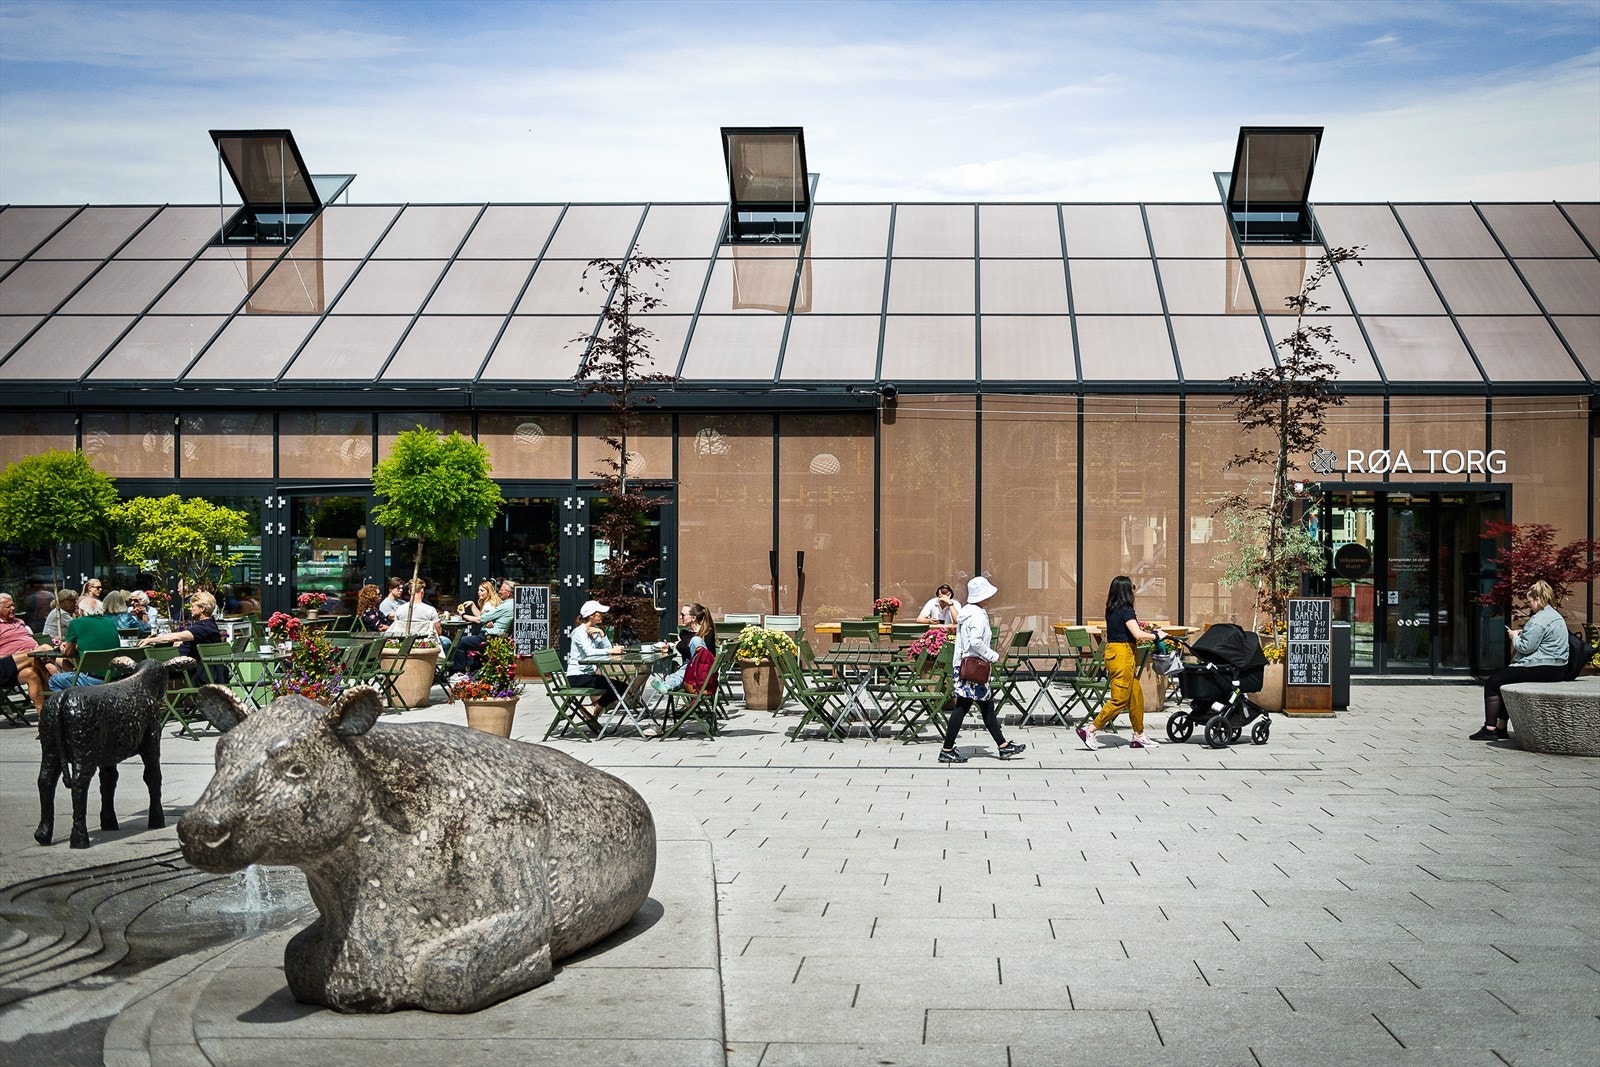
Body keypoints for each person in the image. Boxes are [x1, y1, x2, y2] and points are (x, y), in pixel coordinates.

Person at [939, 577, 1026, 763]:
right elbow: (975, 642)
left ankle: (1002, 746)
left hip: (966, 665)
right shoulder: (977, 615)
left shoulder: (968, 611)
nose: (991, 597)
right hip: (973, 666)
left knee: (984, 705)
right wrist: (992, 655)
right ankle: (947, 749)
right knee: (964, 706)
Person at [1473, 580, 1570, 741]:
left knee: (1492, 683)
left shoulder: (1539, 619)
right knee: (1505, 683)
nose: (1529, 605)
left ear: (1537, 599)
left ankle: (1490, 729)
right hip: (1558, 668)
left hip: (1540, 667)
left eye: (1530, 601)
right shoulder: (1555, 615)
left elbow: (1526, 647)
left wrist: (1514, 637)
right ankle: (1501, 728)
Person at [1078, 575, 1165, 751]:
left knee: (1136, 696)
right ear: (1127, 591)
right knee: (1119, 699)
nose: (1134, 590)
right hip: (1122, 655)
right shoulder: (1126, 610)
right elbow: (1138, 634)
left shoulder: (1112, 609)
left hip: (1118, 653)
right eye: (1132, 587)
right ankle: (1091, 729)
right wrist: (1156, 636)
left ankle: (1139, 735)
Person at [138, 589, 229, 682]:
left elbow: (176, 636)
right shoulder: (210, 625)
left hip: (186, 670)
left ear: (202, 609)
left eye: (193, 606)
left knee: (141, 670)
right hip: (193, 669)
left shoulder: (203, 628)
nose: (190, 609)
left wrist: (150, 640)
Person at [0, 592, 59, 713]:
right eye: (8, 607)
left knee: (31, 674)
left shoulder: (19, 622)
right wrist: (18, 656)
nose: (12, 609)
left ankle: (43, 715)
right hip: (5, 667)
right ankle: (61, 693)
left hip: (23, 666)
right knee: (41, 651)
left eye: (13, 605)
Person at [49, 598, 122, 688]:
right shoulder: (110, 622)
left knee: (53, 681)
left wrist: (69, 646)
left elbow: (68, 652)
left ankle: (71, 701)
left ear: (81, 611)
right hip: (114, 677)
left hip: (92, 679)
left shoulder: (76, 623)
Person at [564, 600, 618, 718]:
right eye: (600, 613)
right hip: (577, 676)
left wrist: (602, 634)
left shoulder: (594, 630)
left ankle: (592, 709)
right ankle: (593, 711)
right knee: (617, 688)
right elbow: (589, 651)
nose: (603, 615)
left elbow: (608, 650)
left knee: (621, 687)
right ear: (591, 615)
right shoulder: (579, 632)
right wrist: (610, 651)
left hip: (588, 674)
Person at [650, 604, 714, 695]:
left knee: (696, 641)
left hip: (704, 671)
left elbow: (706, 656)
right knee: (681, 672)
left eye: (683, 615)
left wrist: (680, 644)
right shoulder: (683, 633)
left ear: (693, 618)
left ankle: (668, 685)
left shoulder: (708, 633)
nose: (680, 617)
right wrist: (670, 648)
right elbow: (686, 652)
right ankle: (666, 686)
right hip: (689, 669)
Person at [454, 581, 513, 671]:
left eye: (501, 590)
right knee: (470, 644)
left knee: (459, 642)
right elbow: (483, 618)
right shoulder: (510, 604)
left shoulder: (503, 605)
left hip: (490, 637)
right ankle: (475, 671)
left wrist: (463, 615)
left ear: (508, 593)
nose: (499, 592)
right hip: (495, 637)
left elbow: (480, 619)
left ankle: (458, 671)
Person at [389, 579, 449, 654]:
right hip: (426, 645)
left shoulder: (400, 610)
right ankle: (440, 664)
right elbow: (438, 632)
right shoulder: (430, 610)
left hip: (405, 645)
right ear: (422, 591)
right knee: (447, 642)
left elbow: (397, 629)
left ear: (409, 592)